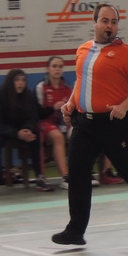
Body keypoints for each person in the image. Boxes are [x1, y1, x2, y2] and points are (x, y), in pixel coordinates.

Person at [51, 3, 128, 246]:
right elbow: (82, 81)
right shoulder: (83, 50)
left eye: (114, 22)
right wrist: (71, 103)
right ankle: (76, 230)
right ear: (94, 23)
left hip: (114, 124)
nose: (109, 26)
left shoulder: (124, 53)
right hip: (85, 124)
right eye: (105, 21)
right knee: (78, 173)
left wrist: (124, 106)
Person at [0, 68, 54, 197]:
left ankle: (40, 177)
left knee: (37, 136)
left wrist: (27, 129)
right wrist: (16, 133)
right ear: (10, 81)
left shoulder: (28, 95)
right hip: (0, 130)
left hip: (21, 130)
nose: (20, 83)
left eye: (23, 80)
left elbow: (33, 117)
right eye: (17, 80)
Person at [36, 56, 101, 190]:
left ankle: (85, 172)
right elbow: (37, 113)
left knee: (82, 134)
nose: (57, 69)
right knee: (58, 137)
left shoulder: (67, 88)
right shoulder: (41, 87)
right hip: (46, 123)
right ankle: (66, 177)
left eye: (60, 67)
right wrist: (52, 108)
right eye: (54, 66)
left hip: (65, 123)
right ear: (47, 69)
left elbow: (75, 109)